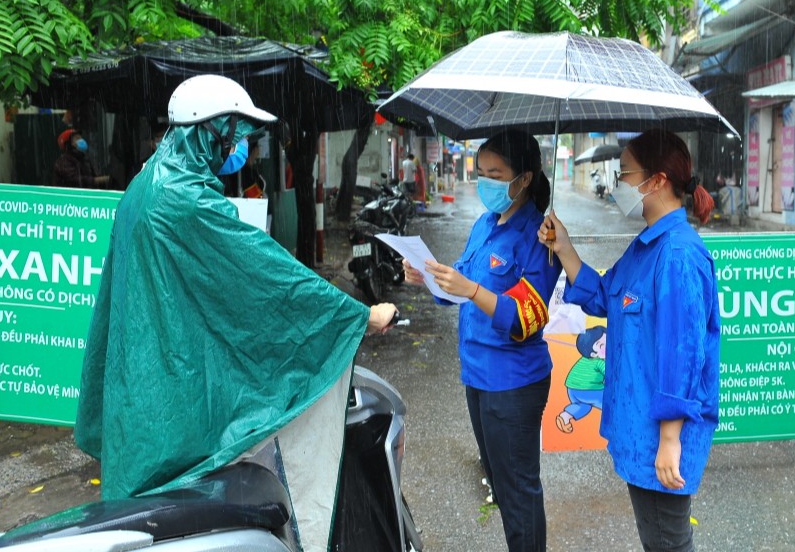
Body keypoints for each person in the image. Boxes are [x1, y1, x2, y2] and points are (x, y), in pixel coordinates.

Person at [74, 74, 398, 551]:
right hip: (172, 399)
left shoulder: (147, 184)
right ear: (208, 131)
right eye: (237, 134)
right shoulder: (186, 201)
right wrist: (358, 316)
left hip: (146, 382)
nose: (241, 146)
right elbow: (267, 278)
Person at [538, 128, 720, 552]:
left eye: (625, 173)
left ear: (656, 181)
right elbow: (604, 296)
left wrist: (671, 440)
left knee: (668, 542)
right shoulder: (646, 247)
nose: (618, 182)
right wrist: (564, 247)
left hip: (661, 433)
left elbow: (683, 354)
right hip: (639, 425)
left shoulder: (678, 254)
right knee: (660, 539)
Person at [401, 129, 560, 552]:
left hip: (514, 383)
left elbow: (528, 317)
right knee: (501, 482)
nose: (485, 182)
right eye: (481, 172)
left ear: (523, 179)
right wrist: (427, 277)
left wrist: (473, 290)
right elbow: (457, 283)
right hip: (477, 375)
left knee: (518, 490)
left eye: (495, 173)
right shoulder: (484, 225)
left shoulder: (541, 237)